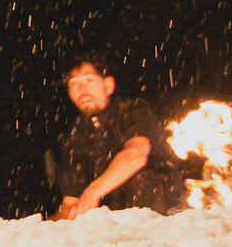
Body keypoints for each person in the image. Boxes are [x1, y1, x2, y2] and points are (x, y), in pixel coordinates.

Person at [49, 59, 180, 218]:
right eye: (73, 83)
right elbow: (71, 203)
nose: (81, 88)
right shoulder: (75, 135)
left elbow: (135, 156)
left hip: (163, 217)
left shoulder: (132, 109)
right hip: (116, 230)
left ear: (108, 85)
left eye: (89, 79)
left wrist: (93, 191)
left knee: (138, 177)